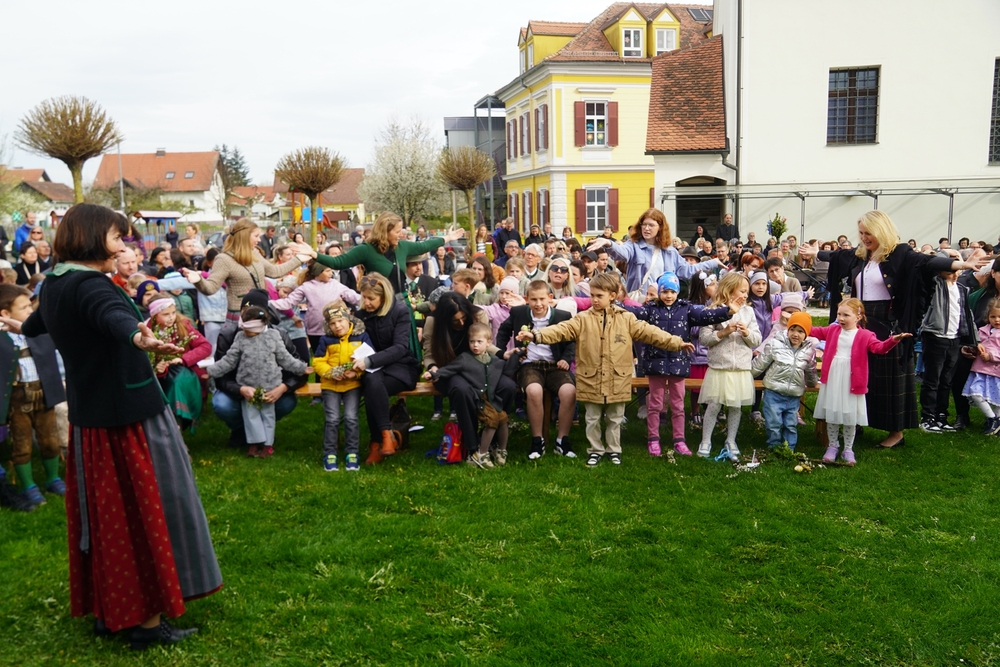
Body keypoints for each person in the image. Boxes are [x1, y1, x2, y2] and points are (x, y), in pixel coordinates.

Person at [15, 203, 220, 649]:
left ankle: (111, 612)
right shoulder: (90, 284)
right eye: (115, 238)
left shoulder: (55, 282)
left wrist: (14, 321)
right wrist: (138, 335)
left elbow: (33, 324)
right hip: (128, 420)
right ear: (92, 238)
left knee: (108, 518)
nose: (123, 246)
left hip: (92, 422)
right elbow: (115, 318)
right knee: (143, 515)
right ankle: (145, 623)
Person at [797, 210, 984, 448]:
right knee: (857, 372)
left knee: (889, 377)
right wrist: (816, 253)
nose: (864, 238)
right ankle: (855, 422)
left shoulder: (900, 253)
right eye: (861, 233)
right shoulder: (861, 256)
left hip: (888, 321)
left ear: (881, 231)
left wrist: (961, 263)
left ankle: (896, 433)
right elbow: (838, 256)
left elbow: (927, 262)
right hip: (860, 321)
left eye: (869, 233)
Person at [519, 273, 690, 466]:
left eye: (599, 296)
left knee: (615, 418)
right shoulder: (583, 319)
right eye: (592, 295)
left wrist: (677, 343)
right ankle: (595, 450)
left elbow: (651, 333)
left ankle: (614, 450)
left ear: (613, 296)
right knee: (592, 418)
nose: (594, 299)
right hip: (591, 378)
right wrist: (536, 335)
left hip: (617, 378)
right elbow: (560, 330)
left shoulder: (626, 318)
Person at [630, 272, 734, 457]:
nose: (668, 295)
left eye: (672, 291)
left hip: (678, 363)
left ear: (678, 292)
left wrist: (727, 311)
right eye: (665, 291)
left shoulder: (687, 309)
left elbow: (707, 315)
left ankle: (679, 440)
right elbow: (633, 312)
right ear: (659, 292)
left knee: (678, 405)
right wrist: (614, 305)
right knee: (655, 404)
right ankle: (653, 439)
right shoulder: (651, 309)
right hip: (656, 363)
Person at [810, 299, 909, 466]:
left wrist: (893, 340)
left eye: (846, 315)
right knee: (832, 412)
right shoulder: (833, 330)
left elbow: (879, 348)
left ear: (858, 316)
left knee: (850, 415)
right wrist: (797, 320)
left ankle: (848, 449)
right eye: (839, 314)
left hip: (852, 381)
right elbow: (814, 330)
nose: (841, 318)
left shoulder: (865, 335)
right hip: (833, 377)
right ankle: (833, 446)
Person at [207, 305, 310, 458]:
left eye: (250, 329)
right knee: (251, 416)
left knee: (268, 416)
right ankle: (253, 443)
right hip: (247, 386)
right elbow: (229, 360)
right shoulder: (240, 338)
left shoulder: (274, 336)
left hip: (270, 386)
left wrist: (301, 368)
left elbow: (285, 358)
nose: (246, 331)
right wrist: (210, 371)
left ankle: (268, 445)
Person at [0, 284, 67, 507]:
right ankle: (29, 486)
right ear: (5, 313)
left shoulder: (38, 331)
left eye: (30, 306)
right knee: (22, 444)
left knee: (50, 441)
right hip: (17, 401)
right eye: (24, 308)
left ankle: (53, 479)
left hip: (44, 395)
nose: (30, 311)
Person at [496, 280, 577, 460]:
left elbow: (572, 340)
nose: (538, 303)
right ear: (526, 299)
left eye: (542, 299)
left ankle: (562, 440)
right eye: (533, 299)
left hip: (555, 365)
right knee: (534, 391)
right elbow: (503, 331)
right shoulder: (518, 313)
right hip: (530, 364)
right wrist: (502, 353)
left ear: (550, 298)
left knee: (569, 392)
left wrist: (566, 359)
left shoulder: (562, 316)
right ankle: (537, 439)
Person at [425, 322, 519, 469]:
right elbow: (449, 369)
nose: (475, 345)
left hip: (493, 400)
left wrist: (517, 356)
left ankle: (501, 449)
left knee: (503, 419)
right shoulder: (465, 359)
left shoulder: (494, 361)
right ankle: (480, 454)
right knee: (492, 420)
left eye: (479, 342)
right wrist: (433, 374)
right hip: (479, 400)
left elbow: (507, 370)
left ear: (488, 342)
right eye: (472, 341)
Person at [354, 272, 422, 464]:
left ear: (383, 297)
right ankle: (385, 436)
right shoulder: (360, 315)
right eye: (364, 297)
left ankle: (377, 441)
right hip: (372, 368)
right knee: (372, 383)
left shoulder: (400, 311)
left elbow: (400, 347)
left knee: (373, 387)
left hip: (401, 366)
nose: (366, 302)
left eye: (371, 298)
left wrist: (370, 361)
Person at [185, 218, 309, 319]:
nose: (259, 240)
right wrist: (198, 280)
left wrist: (298, 259)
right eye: (256, 236)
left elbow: (274, 271)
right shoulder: (223, 259)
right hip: (240, 316)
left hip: (260, 311)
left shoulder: (254, 253)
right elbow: (210, 288)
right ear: (244, 236)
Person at [311, 212, 464, 294]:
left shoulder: (402, 246)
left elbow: (424, 246)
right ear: (385, 231)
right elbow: (338, 262)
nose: (401, 234)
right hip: (379, 307)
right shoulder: (366, 249)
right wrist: (313, 254)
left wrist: (447, 238)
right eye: (397, 231)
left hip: (401, 305)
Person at [696, 272, 760, 461]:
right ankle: (705, 440)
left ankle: (731, 440)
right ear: (729, 290)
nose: (745, 295)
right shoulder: (713, 310)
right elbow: (704, 338)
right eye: (742, 291)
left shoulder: (748, 312)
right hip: (719, 367)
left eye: (747, 291)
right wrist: (723, 332)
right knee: (714, 405)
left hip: (740, 368)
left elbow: (757, 339)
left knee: (735, 406)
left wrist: (747, 333)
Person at [589, 209, 719, 298]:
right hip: (641, 302)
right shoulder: (633, 245)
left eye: (651, 225)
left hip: (662, 302)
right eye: (644, 224)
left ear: (660, 227)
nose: (646, 228)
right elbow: (621, 253)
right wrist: (609, 243)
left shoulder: (670, 251)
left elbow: (687, 271)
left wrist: (713, 262)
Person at [918, 261, 977, 432]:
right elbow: (929, 265)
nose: (955, 274)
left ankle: (941, 415)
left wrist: (975, 340)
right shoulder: (935, 285)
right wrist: (951, 258)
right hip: (935, 337)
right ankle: (927, 417)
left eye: (957, 270)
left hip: (954, 339)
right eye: (951, 270)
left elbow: (967, 315)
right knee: (932, 380)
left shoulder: (962, 289)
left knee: (946, 381)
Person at [312, 301, 369, 472]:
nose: (337, 326)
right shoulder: (325, 340)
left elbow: (368, 359)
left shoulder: (361, 337)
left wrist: (356, 373)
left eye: (340, 321)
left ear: (348, 318)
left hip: (352, 385)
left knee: (351, 418)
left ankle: (352, 452)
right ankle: (330, 453)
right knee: (332, 419)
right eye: (332, 323)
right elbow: (318, 362)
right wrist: (330, 372)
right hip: (330, 385)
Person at [750, 312, 818, 451]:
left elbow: (811, 370)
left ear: (806, 334)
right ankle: (774, 446)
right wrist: (748, 375)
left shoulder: (808, 350)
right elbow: (760, 363)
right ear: (787, 329)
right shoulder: (775, 344)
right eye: (792, 329)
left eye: (800, 331)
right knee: (773, 423)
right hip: (773, 392)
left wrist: (812, 383)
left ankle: (789, 449)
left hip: (793, 395)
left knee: (790, 424)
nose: (795, 334)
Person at [145, 294, 212, 430]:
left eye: (173, 312)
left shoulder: (183, 325)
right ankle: (169, 423)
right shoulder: (147, 331)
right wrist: (158, 367)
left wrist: (183, 359)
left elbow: (205, 346)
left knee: (177, 382)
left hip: (185, 368)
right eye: (165, 314)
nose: (171, 317)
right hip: (159, 372)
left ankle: (178, 423)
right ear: (154, 316)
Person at [269, 260, 360, 353]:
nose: (331, 273)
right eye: (327, 271)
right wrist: (268, 303)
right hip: (315, 331)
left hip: (335, 329)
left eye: (331, 270)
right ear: (318, 272)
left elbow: (353, 297)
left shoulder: (335, 284)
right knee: (319, 354)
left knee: (336, 355)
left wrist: (366, 301)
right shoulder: (306, 286)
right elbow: (288, 302)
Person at [962, 298, 1000, 435]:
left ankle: (996, 422)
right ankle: (993, 419)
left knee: (997, 401)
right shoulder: (982, 331)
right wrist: (972, 349)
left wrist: (991, 357)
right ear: (988, 316)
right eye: (993, 316)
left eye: (999, 316)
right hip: (980, 370)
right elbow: (975, 345)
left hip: (996, 372)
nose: (996, 320)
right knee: (976, 393)